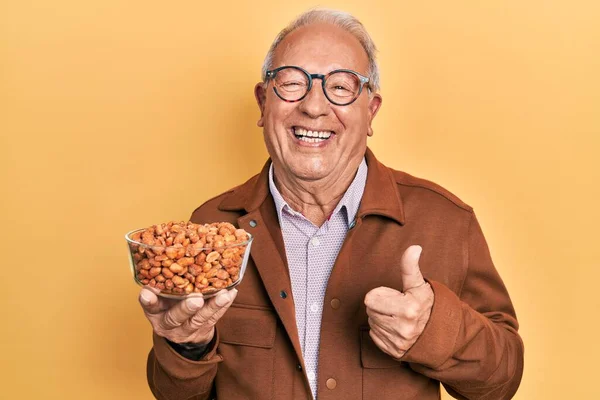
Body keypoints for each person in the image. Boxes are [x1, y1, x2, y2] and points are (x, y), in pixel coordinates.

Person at [138, 8, 524, 400]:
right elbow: (177, 394)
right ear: (262, 102)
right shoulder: (211, 230)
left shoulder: (445, 221)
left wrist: (435, 331)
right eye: (291, 83)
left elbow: (502, 381)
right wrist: (186, 345)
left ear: (370, 111)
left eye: (340, 87)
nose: (314, 107)